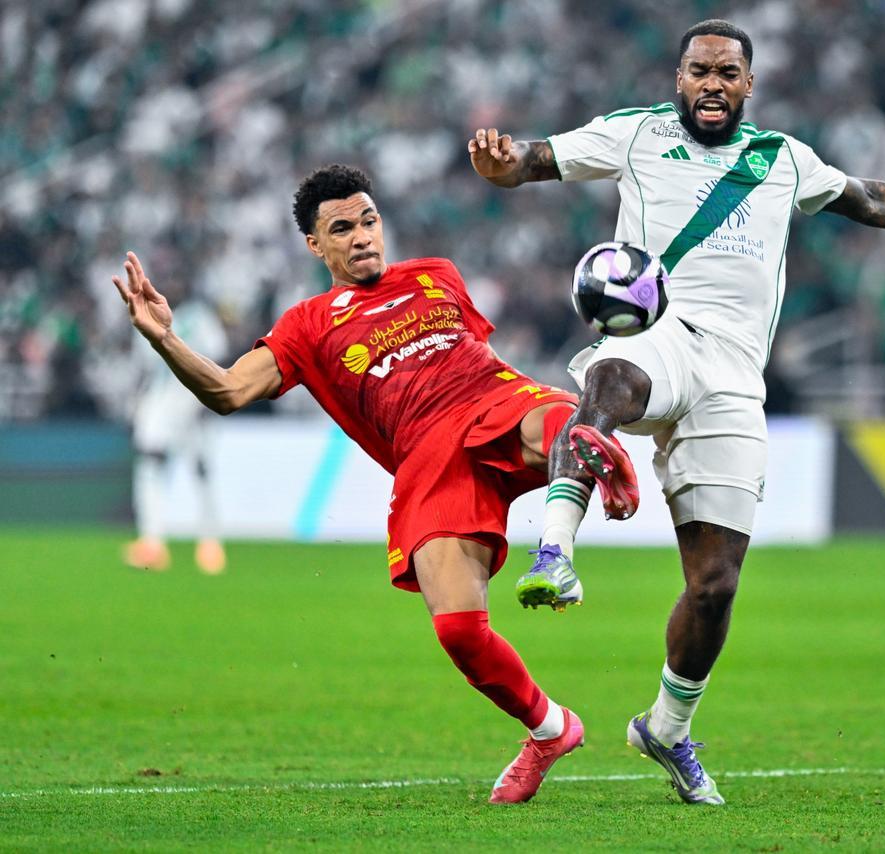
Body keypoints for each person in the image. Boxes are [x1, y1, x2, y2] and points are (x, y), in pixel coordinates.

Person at [469, 19, 885, 805]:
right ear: (679, 78)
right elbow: (535, 159)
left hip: (735, 376)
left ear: (748, 84)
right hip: (659, 330)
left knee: (714, 585)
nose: (712, 83)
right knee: (612, 375)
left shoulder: (784, 159)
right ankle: (554, 550)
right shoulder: (637, 133)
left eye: (727, 72)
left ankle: (667, 729)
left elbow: (870, 199)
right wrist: (504, 163)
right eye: (699, 70)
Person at [111, 163, 635, 805]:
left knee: (557, 421)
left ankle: (573, 503)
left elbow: (479, 355)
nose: (362, 236)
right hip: (429, 458)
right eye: (342, 229)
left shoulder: (437, 274)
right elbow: (226, 391)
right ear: (315, 245)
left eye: (369, 220)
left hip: (492, 398)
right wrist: (166, 339)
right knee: (459, 632)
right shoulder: (306, 325)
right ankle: (550, 729)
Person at [124, 292, 229, 575]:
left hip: (194, 401)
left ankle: (210, 543)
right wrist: (136, 405)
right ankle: (153, 543)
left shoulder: (200, 316)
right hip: (160, 405)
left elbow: (219, 354)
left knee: (201, 470)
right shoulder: (147, 314)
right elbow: (144, 367)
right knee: (150, 466)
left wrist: (211, 395)